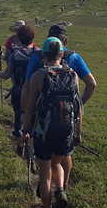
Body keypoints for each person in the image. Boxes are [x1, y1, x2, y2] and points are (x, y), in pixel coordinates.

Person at [22, 37, 82, 208]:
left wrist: (26, 130)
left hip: (43, 133)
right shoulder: (72, 74)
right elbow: (77, 107)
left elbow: (30, 107)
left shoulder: (38, 76)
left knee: (45, 174)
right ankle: (62, 192)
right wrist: (77, 133)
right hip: (65, 130)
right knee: (58, 163)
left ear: (43, 55)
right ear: (62, 54)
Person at [23, 24, 95, 185]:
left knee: (45, 157)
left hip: (41, 114)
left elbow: (28, 86)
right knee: (65, 154)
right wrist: (78, 106)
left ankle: (45, 187)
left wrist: (26, 112)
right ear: (66, 41)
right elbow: (92, 84)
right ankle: (62, 188)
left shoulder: (37, 57)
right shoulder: (74, 57)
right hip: (67, 115)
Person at [0, 24, 35, 150]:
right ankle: (31, 142)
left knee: (18, 114)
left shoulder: (15, 55)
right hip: (35, 92)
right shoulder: (39, 54)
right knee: (33, 115)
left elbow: (6, 75)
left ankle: (19, 140)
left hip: (18, 90)